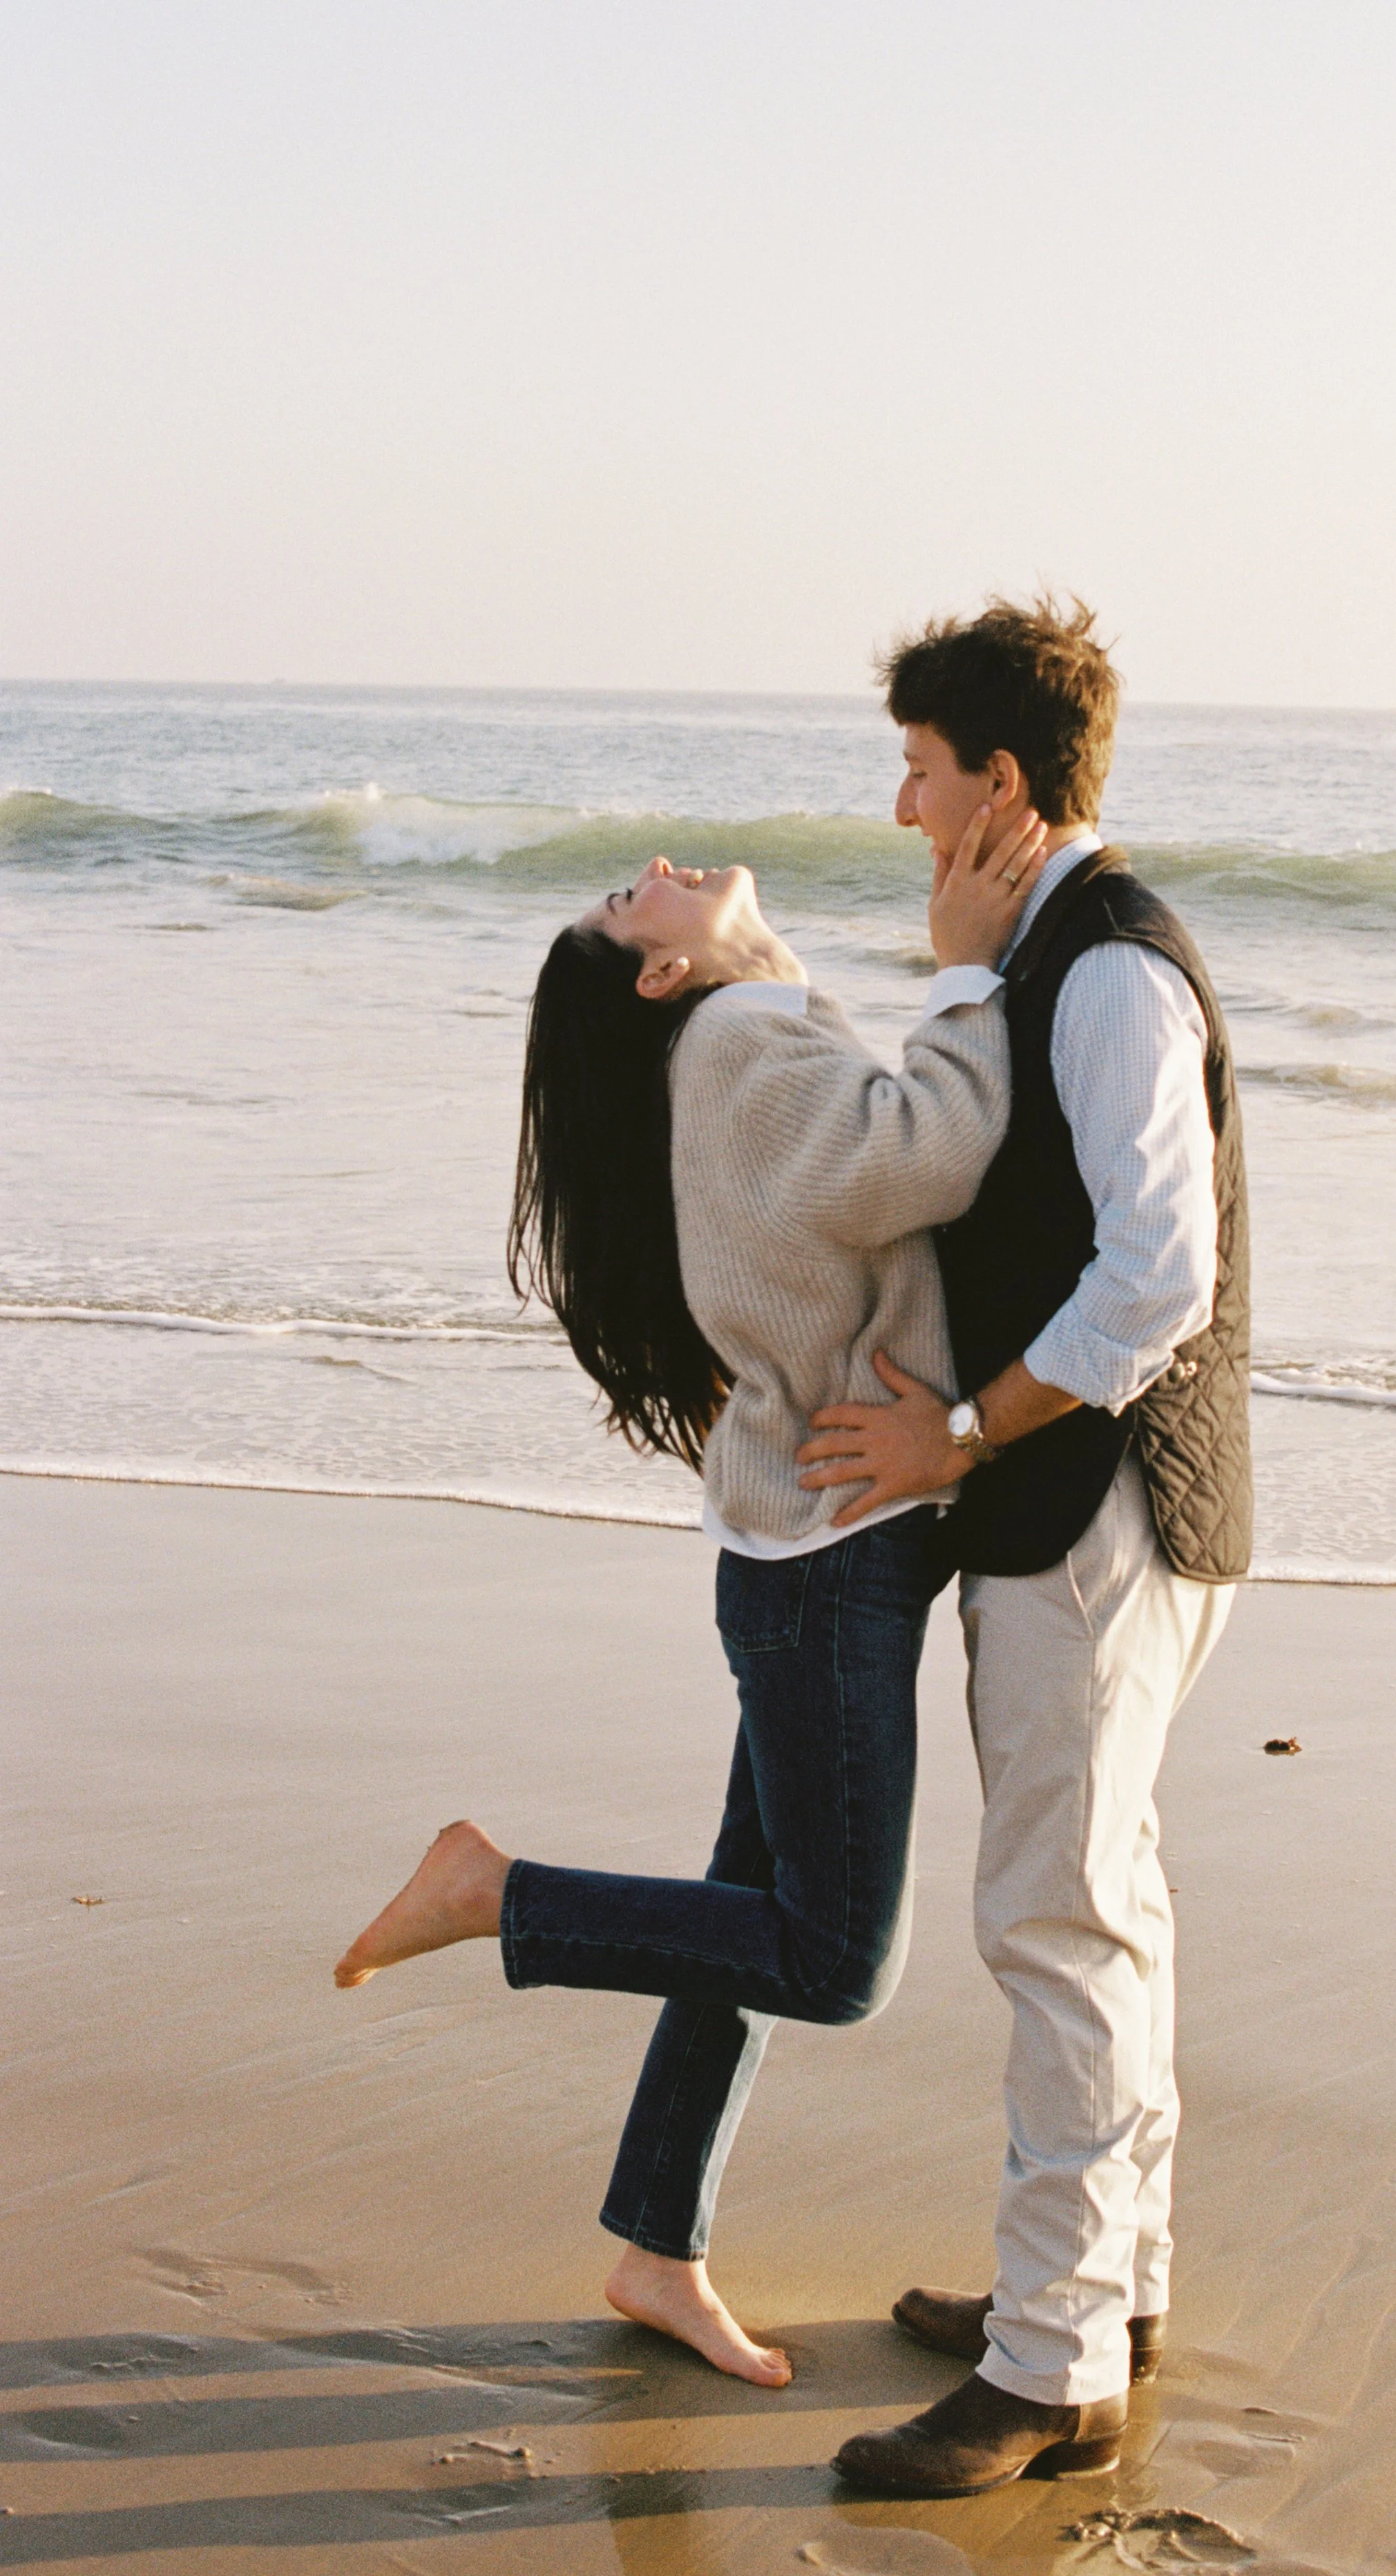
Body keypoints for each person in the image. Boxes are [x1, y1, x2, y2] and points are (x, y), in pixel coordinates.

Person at [332, 809, 1046, 2389]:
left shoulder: (739, 1022)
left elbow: (838, 1189)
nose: (652, 862)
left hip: (809, 1546)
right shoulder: (734, 1034)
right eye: (625, 894)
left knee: (744, 1915)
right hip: (827, 1566)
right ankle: (495, 1893)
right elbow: (921, 1153)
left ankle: (658, 2246)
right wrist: (963, 973)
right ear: (658, 972)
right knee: (827, 1956)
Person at [796, 597, 1253, 2497]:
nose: (900, 807)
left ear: (997, 778)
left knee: (1051, 1922)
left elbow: (1157, 1272)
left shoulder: (1105, 970)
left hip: (1092, 1521)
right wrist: (965, 968)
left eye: (916, 772)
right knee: (1108, 1903)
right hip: (1135, 1518)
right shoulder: (1044, 954)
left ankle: (1046, 2368)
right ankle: (1106, 2287)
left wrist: (961, 1431)